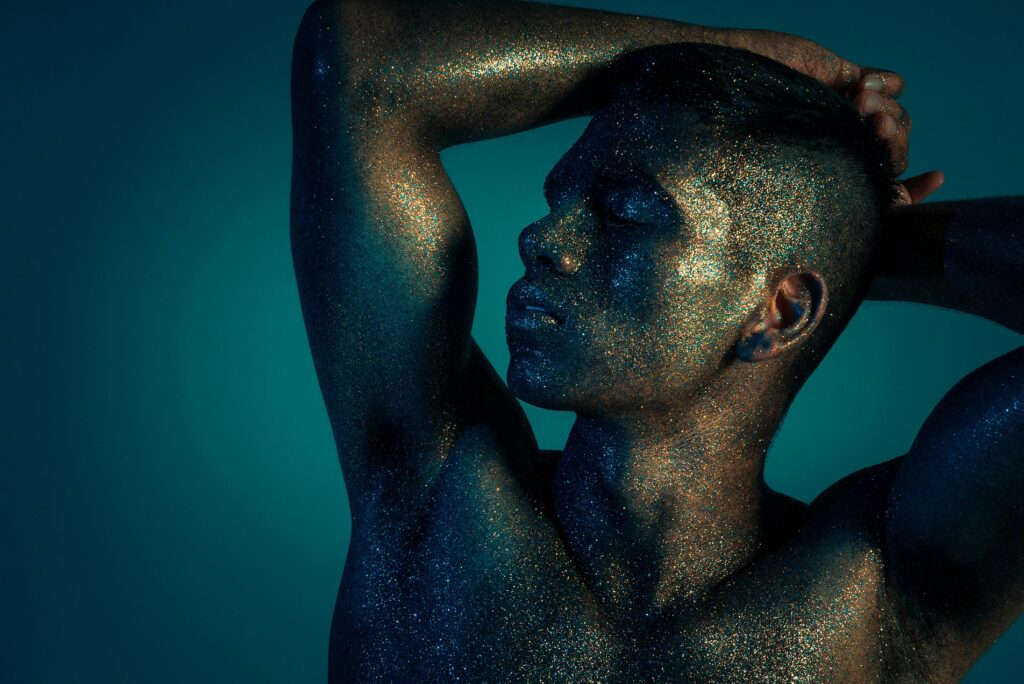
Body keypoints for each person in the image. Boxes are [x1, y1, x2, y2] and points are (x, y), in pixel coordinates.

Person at [289, 0, 1023, 680]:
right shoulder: (433, 493)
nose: (542, 238)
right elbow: (359, 68)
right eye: (560, 201)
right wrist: (731, 51)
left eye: (629, 215)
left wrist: (859, 241)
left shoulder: (879, 587)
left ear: (782, 312)